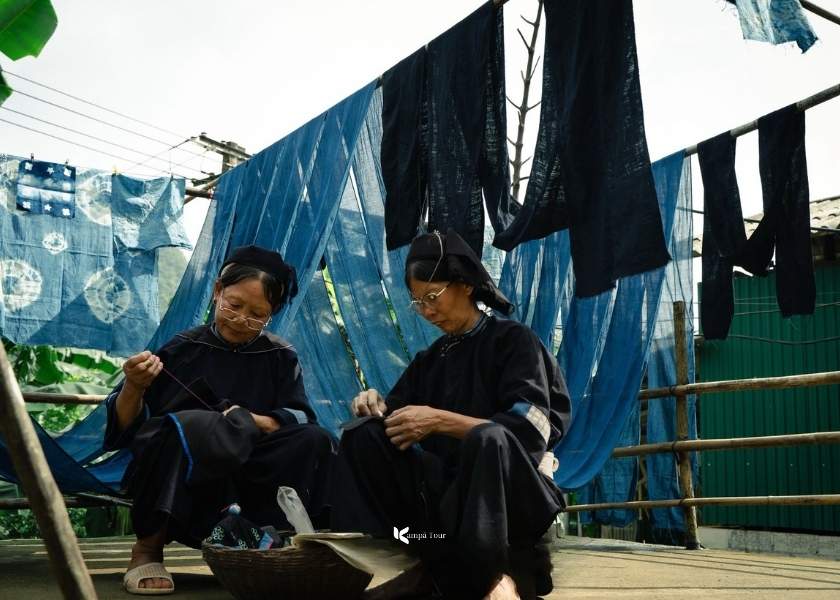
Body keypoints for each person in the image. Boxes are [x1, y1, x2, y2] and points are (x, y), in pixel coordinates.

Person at [331, 230, 572, 600]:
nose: (426, 311)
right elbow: (395, 414)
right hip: (441, 521)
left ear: (465, 285)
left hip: (510, 505)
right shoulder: (430, 360)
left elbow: (529, 431)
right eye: (417, 302)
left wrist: (440, 421)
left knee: (488, 438)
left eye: (432, 297)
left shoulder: (514, 341)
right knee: (365, 434)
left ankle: (494, 576)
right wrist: (374, 404)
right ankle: (417, 561)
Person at [104, 245, 334, 595]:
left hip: (249, 470)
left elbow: (299, 416)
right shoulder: (183, 347)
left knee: (314, 440)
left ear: (272, 314)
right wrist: (134, 386)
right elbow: (128, 428)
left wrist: (247, 420)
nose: (242, 319)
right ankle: (148, 549)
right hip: (188, 472)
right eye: (234, 305)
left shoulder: (280, 356)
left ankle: (268, 542)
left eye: (258, 314)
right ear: (216, 292)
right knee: (181, 428)